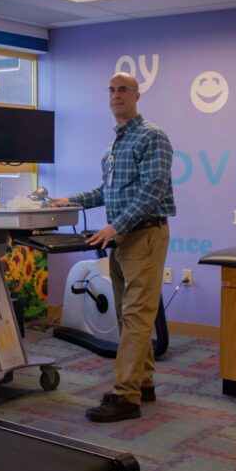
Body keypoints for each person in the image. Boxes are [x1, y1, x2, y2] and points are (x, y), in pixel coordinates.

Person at [52, 72, 175, 422]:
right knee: (127, 315)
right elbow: (105, 192)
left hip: (144, 236)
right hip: (121, 238)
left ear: (137, 96)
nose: (116, 95)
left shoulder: (152, 137)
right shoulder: (114, 146)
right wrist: (68, 201)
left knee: (136, 316)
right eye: (112, 90)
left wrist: (115, 226)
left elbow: (151, 191)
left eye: (123, 90)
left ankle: (126, 396)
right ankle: (144, 382)